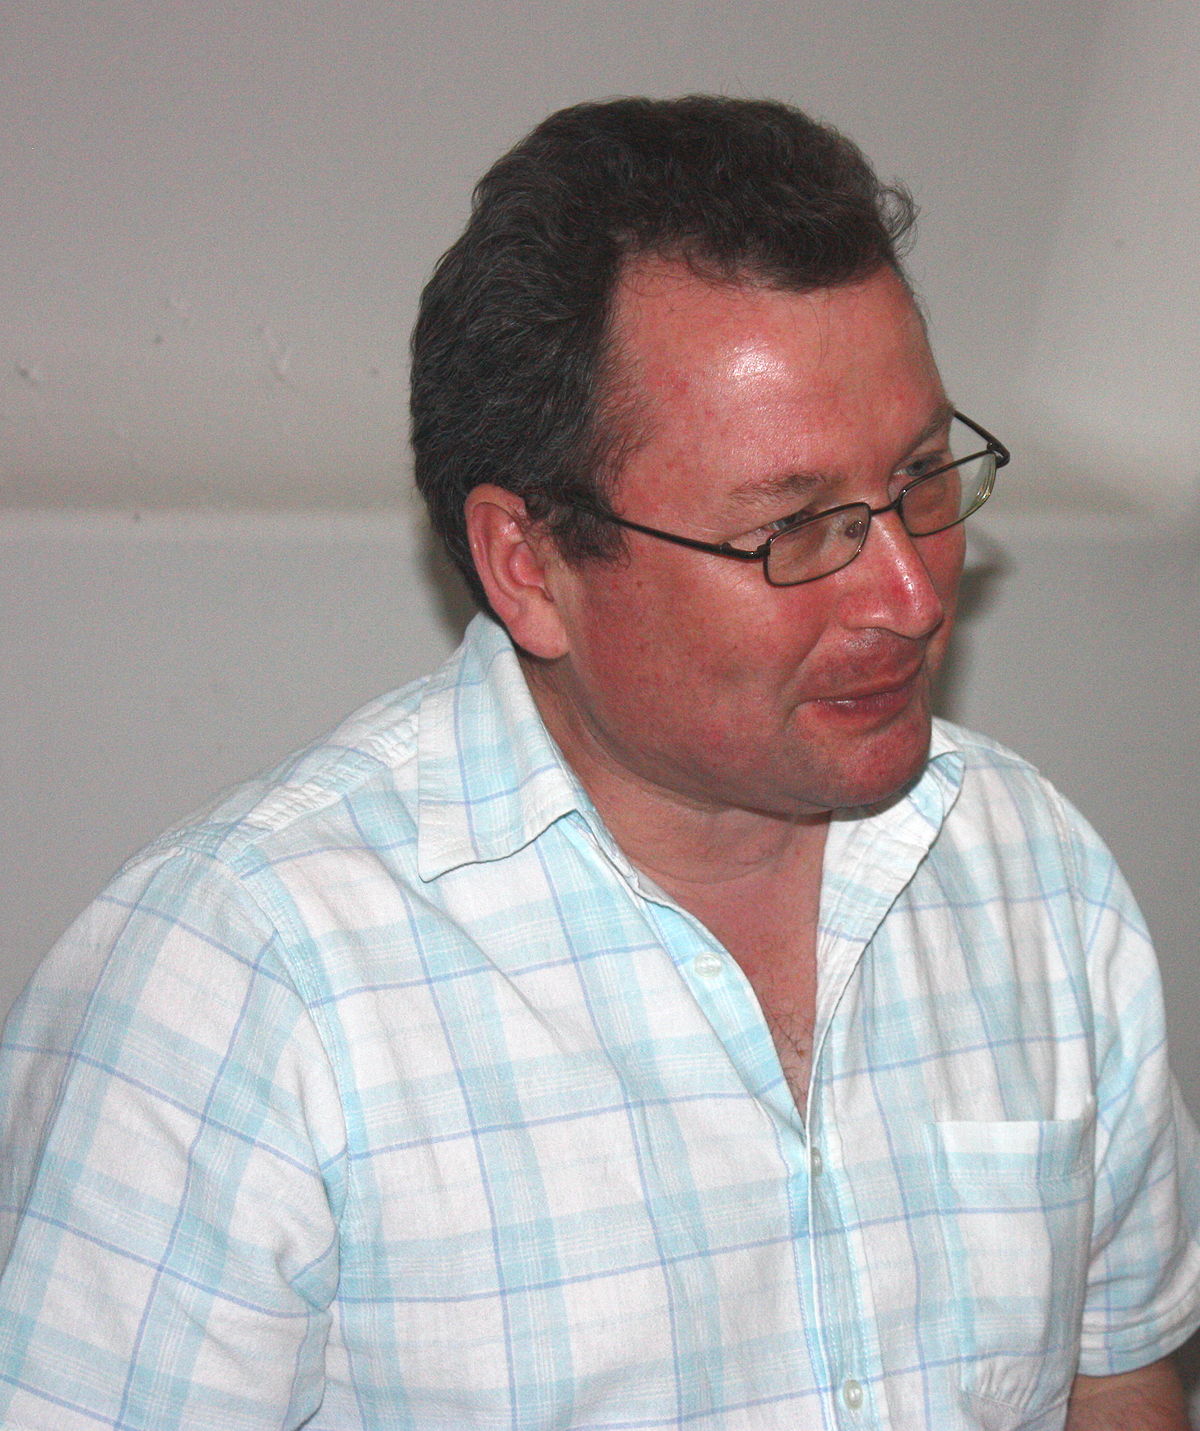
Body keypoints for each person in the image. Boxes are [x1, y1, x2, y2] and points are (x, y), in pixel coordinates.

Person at [1, 96, 1197, 1431]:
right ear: (531, 566)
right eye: (795, 531)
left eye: (923, 479)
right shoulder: (245, 988)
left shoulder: (1033, 869)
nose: (912, 597)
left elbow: (1116, 1378)